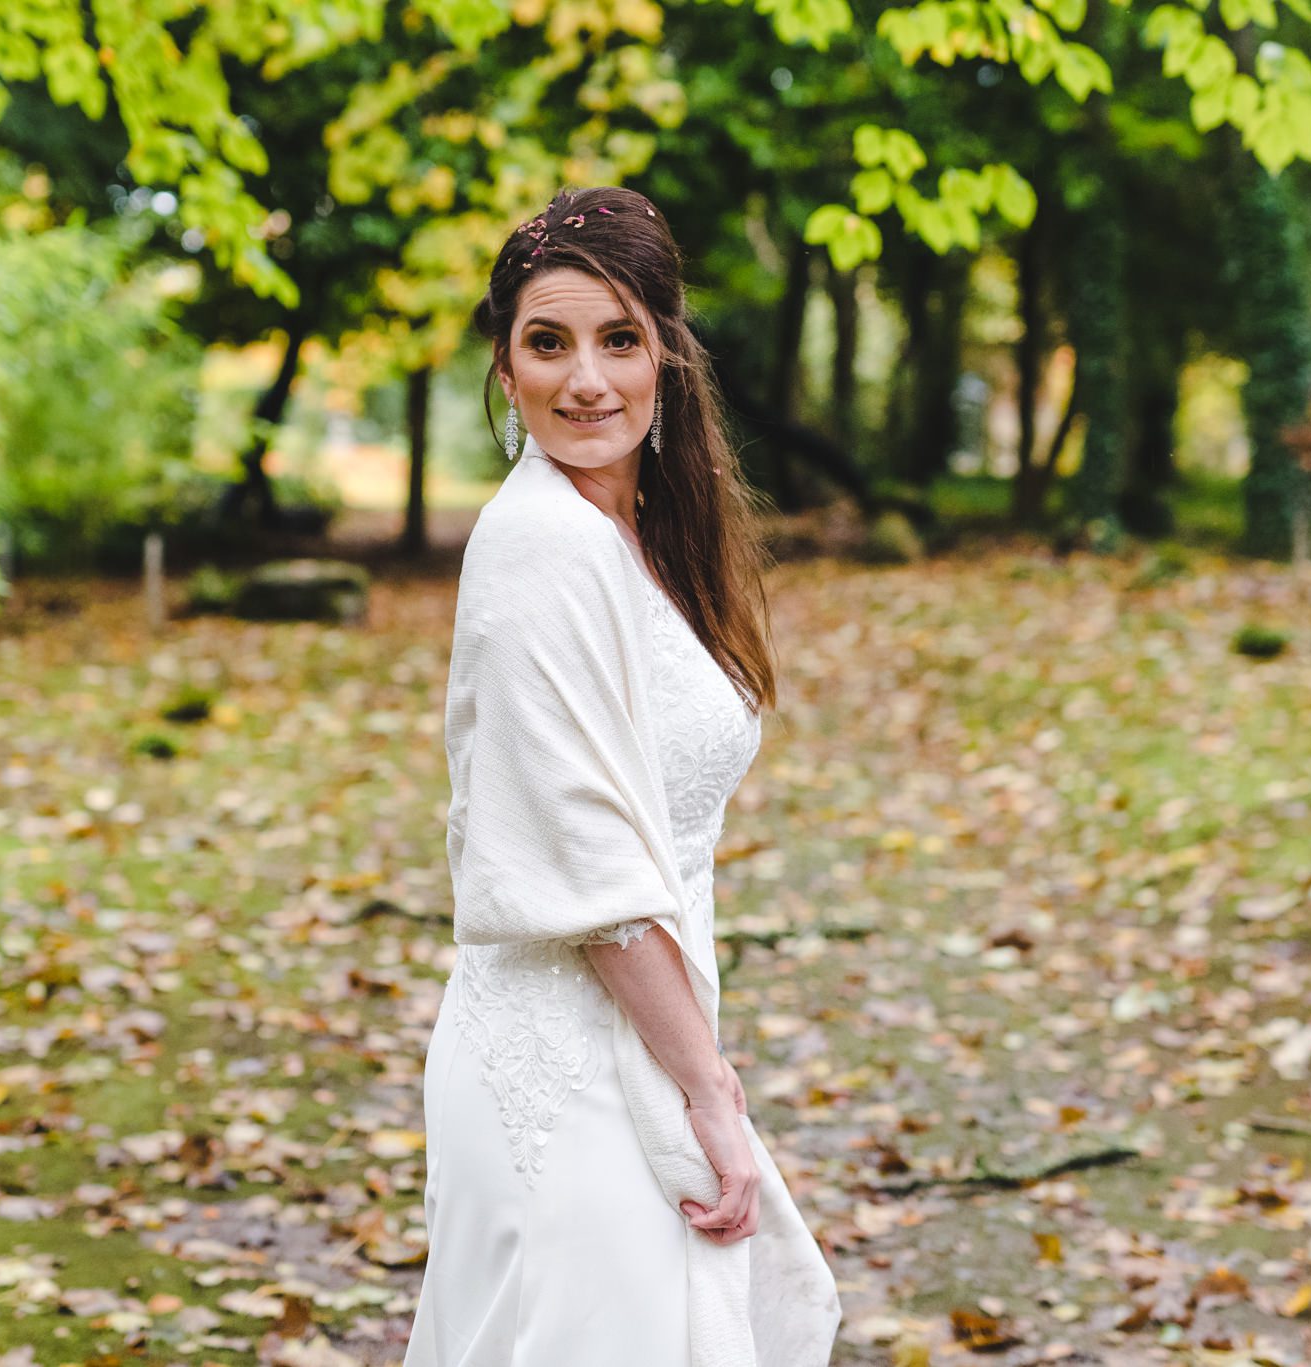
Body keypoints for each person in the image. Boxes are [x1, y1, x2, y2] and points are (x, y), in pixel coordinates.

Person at [403, 186, 843, 1367]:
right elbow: (591, 873)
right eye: (547, 342)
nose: (584, 378)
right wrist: (707, 1089)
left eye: (617, 339)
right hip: (570, 1066)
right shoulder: (541, 545)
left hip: (634, 1032)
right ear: (504, 370)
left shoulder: (631, 535)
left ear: (665, 358)